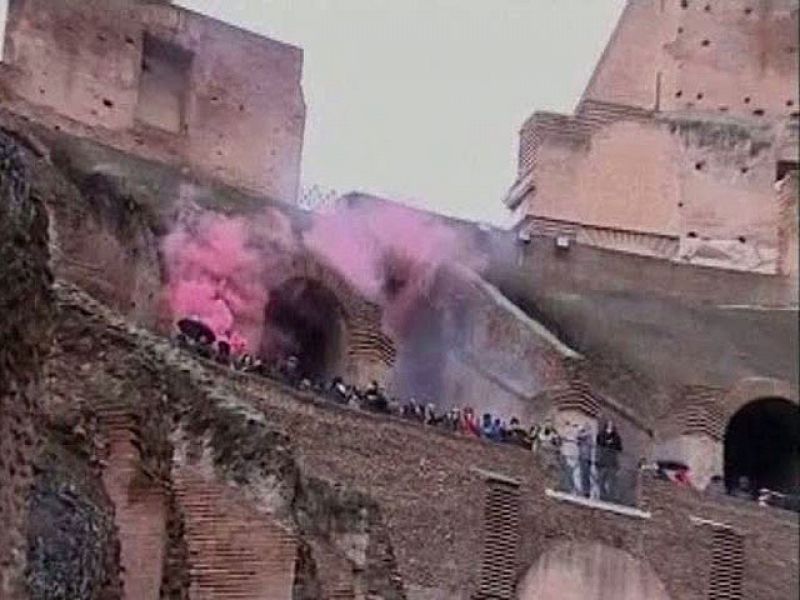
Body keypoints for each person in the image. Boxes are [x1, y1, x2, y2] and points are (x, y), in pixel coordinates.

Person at [595, 419, 623, 502]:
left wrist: (612, 443)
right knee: (601, 479)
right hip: (603, 460)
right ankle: (602, 496)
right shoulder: (601, 434)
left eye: (611, 424)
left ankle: (611, 497)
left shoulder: (616, 436)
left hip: (612, 461)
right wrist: (606, 442)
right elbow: (599, 443)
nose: (610, 426)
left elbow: (619, 448)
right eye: (609, 424)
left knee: (612, 480)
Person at [576, 424, 593, 498]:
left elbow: (580, 436)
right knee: (583, 474)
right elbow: (577, 440)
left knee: (586, 475)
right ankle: (583, 491)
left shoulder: (588, 435)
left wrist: (580, 430)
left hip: (586, 457)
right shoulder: (583, 436)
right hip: (582, 456)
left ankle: (586, 492)